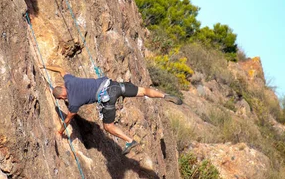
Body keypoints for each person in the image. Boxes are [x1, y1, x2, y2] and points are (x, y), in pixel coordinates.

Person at [44, 65, 182, 154]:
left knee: (108, 126)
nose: (64, 100)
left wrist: (60, 132)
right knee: (144, 91)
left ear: (62, 96)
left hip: (107, 97)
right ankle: (165, 95)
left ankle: (129, 140)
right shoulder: (69, 81)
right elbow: (61, 69)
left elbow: (68, 119)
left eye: (62, 99)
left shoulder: (73, 102)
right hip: (113, 85)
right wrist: (45, 66)